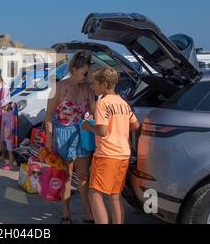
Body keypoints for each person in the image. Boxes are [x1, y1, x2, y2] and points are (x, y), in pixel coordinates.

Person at [81, 67, 140, 224]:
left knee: (94, 193)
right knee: (115, 196)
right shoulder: (123, 103)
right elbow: (135, 125)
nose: (92, 87)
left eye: (94, 84)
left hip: (107, 154)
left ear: (104, 84)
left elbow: (101, 131)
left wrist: (88, 126)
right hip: (123, 154)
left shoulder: (102, 103)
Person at [45, 51, 95, 224]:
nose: (87, 77)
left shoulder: (88, 88)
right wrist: (49, 137)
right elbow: (49, 115)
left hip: (82, 136)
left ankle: (88, 213)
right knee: (65, 176)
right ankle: (66, 213)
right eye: (85, 73)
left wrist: (90, 117)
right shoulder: (58, 87)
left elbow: (94, 112)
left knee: (83, 178)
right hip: (63, 136)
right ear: (74, 69)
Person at [0, 102, 16, 171]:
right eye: (2, 106)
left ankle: (11, 166)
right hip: (8, 132)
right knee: (9, 149)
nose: (3, 107)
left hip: (9, 133)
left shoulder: (10, 113)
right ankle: (11, 163)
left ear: (9, 105)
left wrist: (10, 133)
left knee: (10, 151)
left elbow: (11, 124)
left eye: (4, 106)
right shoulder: (8, 112)